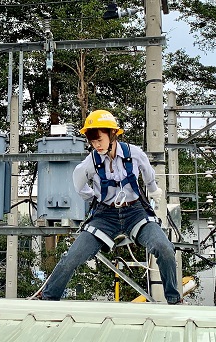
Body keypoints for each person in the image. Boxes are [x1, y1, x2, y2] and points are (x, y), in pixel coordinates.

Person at [39, 109, 181, 304]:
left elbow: (148, 176)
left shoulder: (135, 154)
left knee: (164, 248)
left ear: (112, 134)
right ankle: (48, 298)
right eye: (92, 141)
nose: (96, 145)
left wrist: (154, 190)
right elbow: (79, 186)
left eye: (99, 140)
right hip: (105, 216)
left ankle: (174, 299)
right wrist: (95, 198)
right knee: (72, 257)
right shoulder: (90, 162)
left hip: (135, 213)